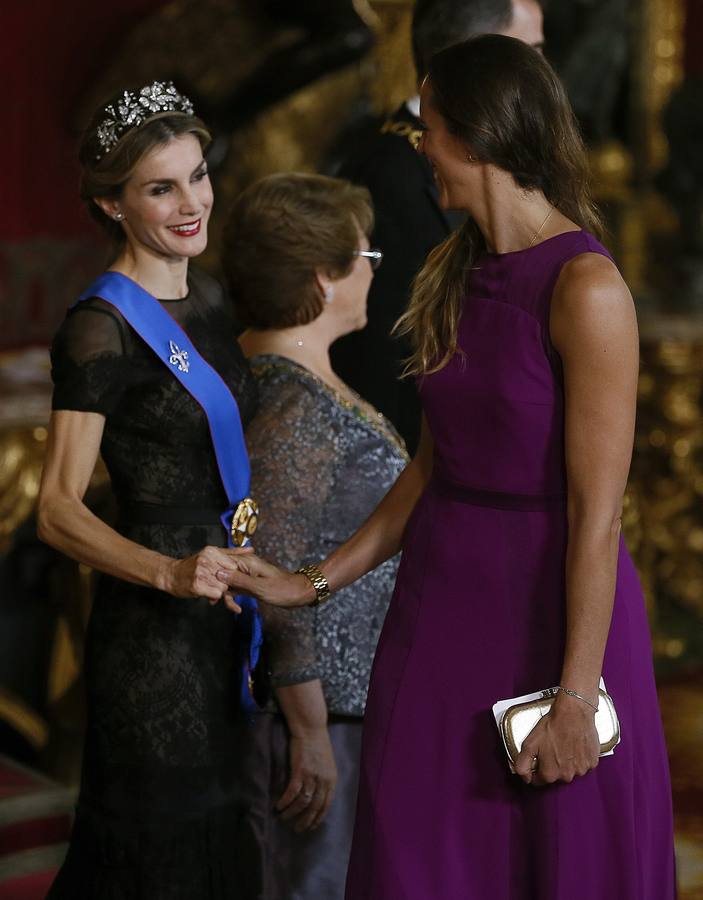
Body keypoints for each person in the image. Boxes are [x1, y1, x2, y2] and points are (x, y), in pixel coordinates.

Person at [225, 36, 677, 900]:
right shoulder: (452, 271)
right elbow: (432, 472)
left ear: (477, 137)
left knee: (555, 861)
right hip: (437, 617)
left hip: (555, 619)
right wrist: (308, 584)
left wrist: (576, 699)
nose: (417, 145)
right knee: (420, 860)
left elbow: (598, 515)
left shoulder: (586, 289)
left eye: (426, 128)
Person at [38, 82, 260, 898]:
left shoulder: (205, 293)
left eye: (197, 176)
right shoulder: (98, 326)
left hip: (226, 615)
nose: (191, 202)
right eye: (160, 188)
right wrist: (169, 573)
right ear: (111, 203)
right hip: (153, 638)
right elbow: (57, 509)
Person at [221, 173, 408, 899]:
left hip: (350, 705)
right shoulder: (294, 409)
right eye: (366, 257)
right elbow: (273, 578)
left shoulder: (285, 381)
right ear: (322, 278)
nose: (371, 272)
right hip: (325, 718)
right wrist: (307, 732)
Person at [332, 0, 545, 453]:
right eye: (530, 53)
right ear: (475, 59)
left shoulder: (497, 163)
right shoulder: (388, 173)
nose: (545, 74)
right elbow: (384, 351)